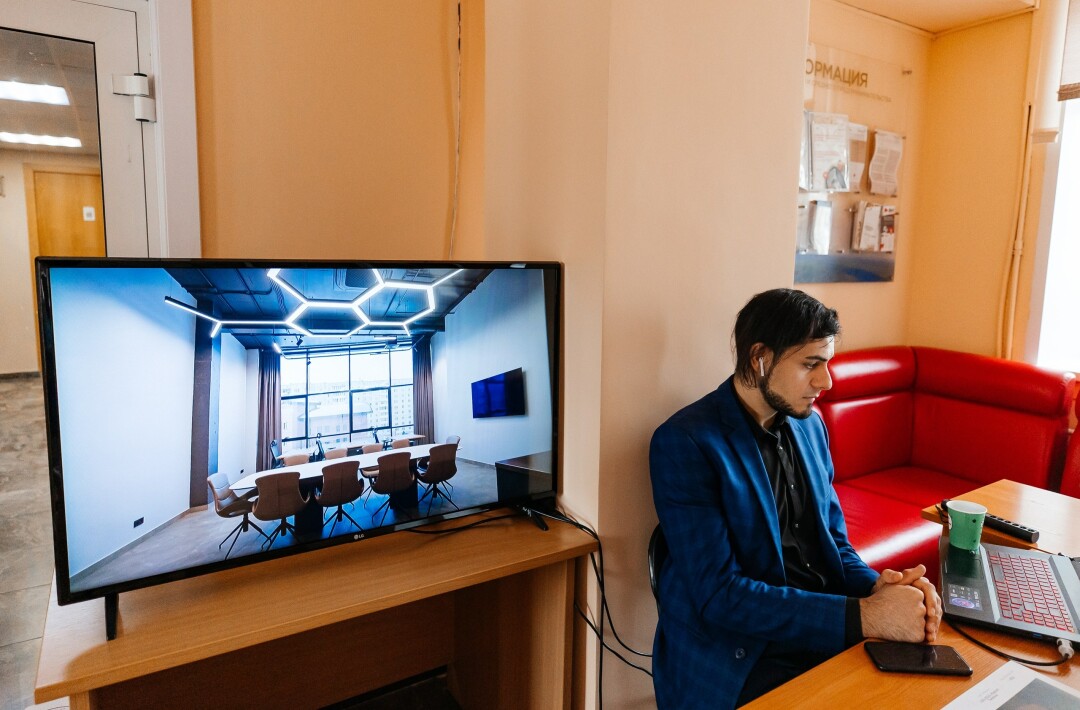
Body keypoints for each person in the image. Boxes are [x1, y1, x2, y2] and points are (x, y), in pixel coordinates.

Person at [649, 288, 942, 709]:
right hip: (743, 651)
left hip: (820, 625)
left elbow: (835, 544)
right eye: (810, 364)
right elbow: (719, 595)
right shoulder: (686, 442)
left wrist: (880, 588)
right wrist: (864, 616)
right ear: (759, 358)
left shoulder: (810, 426)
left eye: (827, 363)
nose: (826, 381)